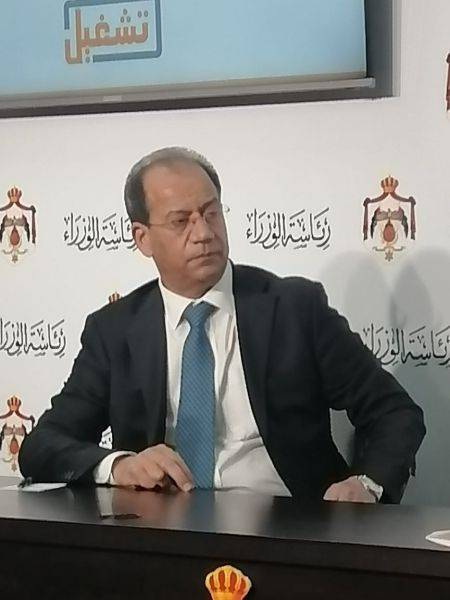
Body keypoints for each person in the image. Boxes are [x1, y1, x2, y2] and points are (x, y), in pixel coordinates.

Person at [19, 147, 425, 503]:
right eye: (181, 221)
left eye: (211, 213)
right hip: (160, 534)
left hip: (289, 525)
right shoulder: (114, 331)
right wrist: (118, 466)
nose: (204, 233)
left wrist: (367, 484)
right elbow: (43, 445)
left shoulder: (294, 309)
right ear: (142, 238)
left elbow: (394, 411)